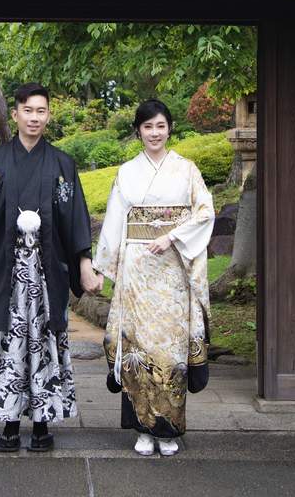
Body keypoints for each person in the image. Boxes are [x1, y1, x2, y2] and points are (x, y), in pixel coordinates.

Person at [0, 82, 102, 452]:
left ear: (48, 115)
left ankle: (41, 421)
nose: (35, 118)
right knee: (7, 343)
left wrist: (84, 262)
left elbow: (74, 219)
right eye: (28, 110)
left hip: (47, 269)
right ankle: (7, 420)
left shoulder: (62, 163)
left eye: (42, 111)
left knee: (45, 342)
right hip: (4, 270)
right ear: (15, 114)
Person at [93, 99, 214, 457]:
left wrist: (173, 236)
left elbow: (205, 212)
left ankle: (169, 430)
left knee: (170, 351)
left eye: (160, 126)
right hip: (137, 271)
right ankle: (142, 429)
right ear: (138, 131)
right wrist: (103, 268)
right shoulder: (127, 171)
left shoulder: (187, 169)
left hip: (173, 269)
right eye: (148, 127)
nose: (154, 133)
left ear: (169, 128)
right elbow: (115, 220)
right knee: (136, 350)